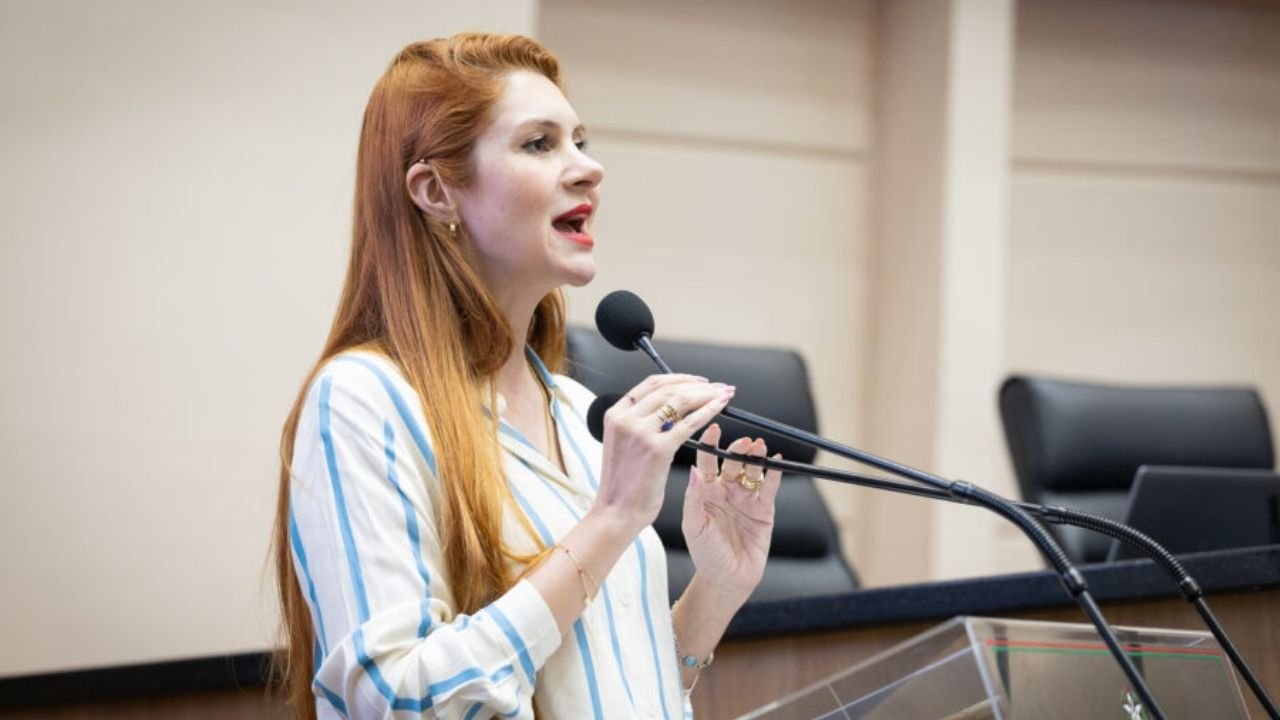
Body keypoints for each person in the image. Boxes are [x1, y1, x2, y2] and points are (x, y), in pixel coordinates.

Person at [273, 32, 782, 719]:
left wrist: (715, 591)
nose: (588, 168)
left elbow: (598, 685)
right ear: (436, 191)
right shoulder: (366, 400)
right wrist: (611, 521)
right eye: (539, 144)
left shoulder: (579, 412)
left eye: (580, 140)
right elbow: (397, 703)